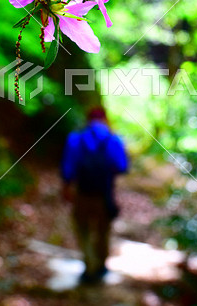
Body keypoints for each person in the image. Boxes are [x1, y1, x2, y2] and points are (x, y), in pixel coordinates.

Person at [61, 106, 129, 282]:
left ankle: (89, 263)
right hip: (104, 194)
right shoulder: (114, 140)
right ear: (105, 119)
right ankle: (100, 265)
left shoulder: (75, 139)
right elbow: (122, 166)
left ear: (87, 119)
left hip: (82, 193)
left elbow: (68, 168)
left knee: (82, 228)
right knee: (103, 230)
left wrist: (66, 188)